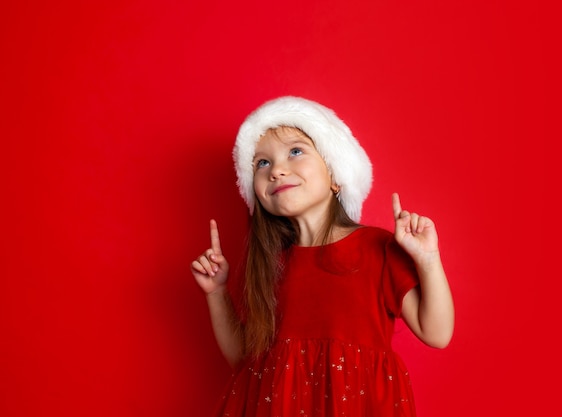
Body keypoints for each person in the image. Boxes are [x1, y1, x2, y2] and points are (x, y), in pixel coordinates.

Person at [190, 96, 454, 416]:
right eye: (262, 163)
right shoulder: (271, 266)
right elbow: (245, 359)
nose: (277, 170)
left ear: (335, 175)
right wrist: (217, 292)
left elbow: (437, 333)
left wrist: (428, 259)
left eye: (295, 151)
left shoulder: (377, 248)